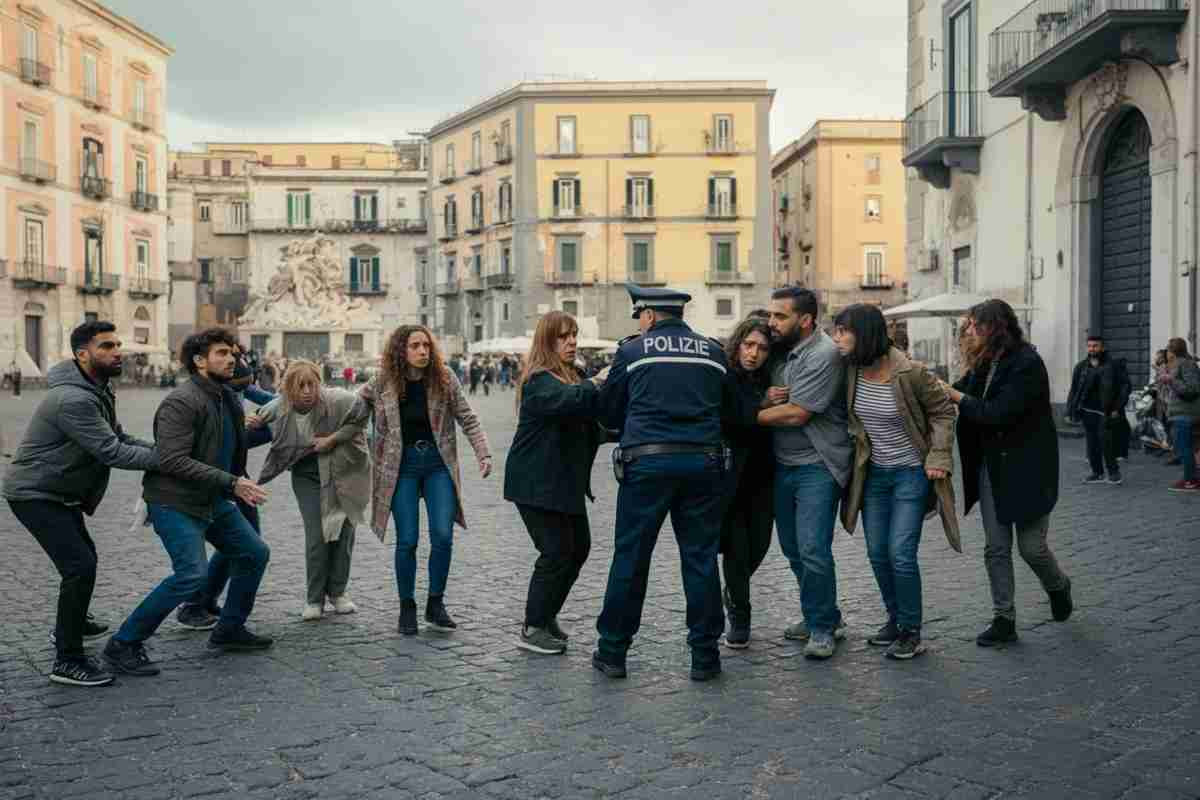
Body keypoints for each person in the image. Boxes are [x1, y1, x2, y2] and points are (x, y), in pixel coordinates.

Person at [594, 285, 752, 682]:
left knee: (631, 558)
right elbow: (733, 411)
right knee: (699, 559)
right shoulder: (713, 352)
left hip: (646, 464)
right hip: (703, 465)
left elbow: (609, 408)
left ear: (647, 315)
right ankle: (704, 656)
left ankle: (613, 651)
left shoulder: (631, 352)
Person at [103, 328, 273, 677]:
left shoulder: (225, 396)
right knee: (191, 575)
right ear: (199, 361)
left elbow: (227, 445)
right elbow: (172, 460)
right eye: (222, 353)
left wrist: (272, 428)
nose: (232, 359)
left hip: (212, 499)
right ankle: (124, 643)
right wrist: (233, 483)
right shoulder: (182, 401)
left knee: (254, 552)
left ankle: (228, 630)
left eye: (233, 353)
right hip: (174, 502)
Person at [4, 321, 159, 687]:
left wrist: (162, 451)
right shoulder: (73, 399)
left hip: (57, 490)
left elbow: (118, 435)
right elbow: (111, 450)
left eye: (117, 344)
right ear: (82, 354)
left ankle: (72, 624)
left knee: (82, 560)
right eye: (107, 346)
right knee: (80, 566)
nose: (117, 351)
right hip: (35, 492)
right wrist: (171, 461)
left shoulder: (98, 389)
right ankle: (67, 660)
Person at [340, 325, 492, 635]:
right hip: (400, 468)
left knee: (443, 535)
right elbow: (352, 411)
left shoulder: (444, 378)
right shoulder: (382, 382)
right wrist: (328, 435)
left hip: (438, 465)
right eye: (415, 346)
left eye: (426, 345)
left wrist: (483, 453)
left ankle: (435, 604)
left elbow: (468, 418)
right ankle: (406, 606)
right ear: (401, 350)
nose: (423, 351)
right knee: (407, 540)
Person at [942, 300, 1074, 647]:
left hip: (1028, 468)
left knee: (1032, 548)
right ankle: (1005, 619)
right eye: (967, 325)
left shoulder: (1026, 363)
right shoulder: (984, 363)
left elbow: (998, 412)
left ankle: (1058, 585)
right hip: (992, 467)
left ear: (994, 327)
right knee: (996, 547)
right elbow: (963, 389)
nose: (968, 331)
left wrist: (955, 396)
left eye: (974, 325)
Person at [833, 304, 959, 661]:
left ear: (866, 334)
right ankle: (895, 618)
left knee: (900, 554)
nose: (837, 338)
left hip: (910, 474)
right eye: (836, 331)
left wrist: (939, 457)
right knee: (877, 553)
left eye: (844, 331)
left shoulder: (911, 372)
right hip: (873, 475)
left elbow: (943, 412)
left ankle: (911, 631)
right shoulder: (850, 370)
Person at [757, 286, 853, 660]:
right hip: (784, 464)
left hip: (817, 465)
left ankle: (822, 628)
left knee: (813, 549)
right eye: (771, 315)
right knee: (794, 549)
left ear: (806, 319)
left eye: (780, 316)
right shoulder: (781, 350)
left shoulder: (824, 354)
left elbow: (798, 413)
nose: (771, 323)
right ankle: (824, 613)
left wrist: (747, 415)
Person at [506, 312, 607, 655]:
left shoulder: (574, 374)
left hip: (563, 482)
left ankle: (546, 616)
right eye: (563, 336)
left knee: (578, 548)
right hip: (535, 482)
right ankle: (533, 626)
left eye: (574, 335)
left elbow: (592, 417)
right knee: (555, 552)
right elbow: (571, 401)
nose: (572, 342)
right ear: (547, 341)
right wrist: (596, 383)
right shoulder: (539, 380)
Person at [252, 361, 370, 619]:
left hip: (344, 470)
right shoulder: (280, 407)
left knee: (343, 531)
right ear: (289, 389)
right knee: (316, 534)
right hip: (306, 475)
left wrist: (333, 439)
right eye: (300, 385)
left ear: (320, 383)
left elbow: (362, 417)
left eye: (311, 384)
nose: (306, 391)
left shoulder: (340, 399)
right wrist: (254, 419)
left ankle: (338, 592)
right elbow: (260, 416)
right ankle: (314, 598)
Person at [717, 317, 776, 649]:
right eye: (749, 345)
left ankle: (733, 589)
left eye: (762, 348)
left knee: (761, 544)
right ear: (738, 343)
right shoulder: (725, 376)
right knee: (737, 549)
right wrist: (763, 406)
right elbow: (729, 416)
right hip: (731, 476)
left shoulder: (769, 378)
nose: (754, 353)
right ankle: (740, 615)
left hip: (764, 475)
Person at [1065, 335, 1123, 485]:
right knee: (1091, 443)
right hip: (1087, 410)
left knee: (1106, 441)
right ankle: (1097, 472)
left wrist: (1118, 407)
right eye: (1090, 346)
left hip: (1106, 411)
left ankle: (1114, 472)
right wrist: (1069, 410)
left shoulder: (1113, 365)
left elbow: (1125, 387)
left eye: (1095, 346)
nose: (1092, 349)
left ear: (1102, 347)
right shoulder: (1081, 367)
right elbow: (1074, 389)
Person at [1159, 338, 1200, 492]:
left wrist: (1170, 380)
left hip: (1186, 414)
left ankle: (1190, 481)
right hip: (1180, 413)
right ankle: (1191, 478)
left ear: (1171, 352)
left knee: (1185, 448)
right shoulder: (1177, 365)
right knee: (1188, 447)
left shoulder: (1186, 364)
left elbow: (1192, 389)